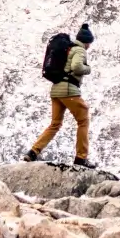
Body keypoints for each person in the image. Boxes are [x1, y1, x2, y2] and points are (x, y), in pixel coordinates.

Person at [24, 23, 96, 166]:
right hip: (69, 90)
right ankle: (81, 158)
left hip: (56, 90)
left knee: (55, 124)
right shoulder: (80, 50)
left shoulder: (68, 49)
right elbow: (76, 67)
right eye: (89, 43)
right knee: (83, 121)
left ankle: (33, 152)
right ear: (87, 42)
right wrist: (88, 68)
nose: (89, 46)